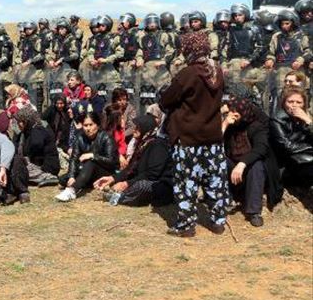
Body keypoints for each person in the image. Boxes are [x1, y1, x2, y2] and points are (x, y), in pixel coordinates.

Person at [159, 30, 230, 237]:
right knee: (215, 179)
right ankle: (218, 222)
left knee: (186, 183)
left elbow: (166, 100)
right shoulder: (217, 70)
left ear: (188, 49)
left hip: (187, 138)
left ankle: (186, 226)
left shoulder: (187, 74)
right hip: (213, 137)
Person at [222, 95, 281, 227]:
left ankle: (254, 211)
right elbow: (213, 143)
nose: (233, 114)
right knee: (219, 161)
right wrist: (225, 124)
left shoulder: (256, 126)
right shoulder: (229, 125)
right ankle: (225, 200)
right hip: (232, 164)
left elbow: (261, 148)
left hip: (249, 165)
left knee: (257, 166)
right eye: (231, 110)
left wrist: (242, 164)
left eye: (236, 111)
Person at [93, 114, 173, 207]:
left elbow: (153, 174)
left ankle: (120, 197)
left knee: (142, 186)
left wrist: (126, 183)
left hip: (159, 184)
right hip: (143, 179)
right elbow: (131, 168)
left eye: (138, 128)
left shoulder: (157, 145)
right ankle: (121, 194)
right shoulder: (142, 144)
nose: (134, 130)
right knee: (135, 183)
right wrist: (113, 178)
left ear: (146, 129)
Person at [56, 111, 119, 202]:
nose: (88, 128)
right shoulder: (80, 138)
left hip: (104, 170)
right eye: (85, 125)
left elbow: (112, 161)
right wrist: (71, 176)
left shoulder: (106, 137)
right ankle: (82, 182)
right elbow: (74, 158)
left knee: (90, 162)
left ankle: (72, 191)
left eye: (91, 125)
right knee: (63, 179)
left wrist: (93, 155)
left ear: (97, 125)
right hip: (84, 169)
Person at [269, 87, 313, 188]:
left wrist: (309, 122)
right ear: (284, 103)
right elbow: (286, 147)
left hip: (304, 160)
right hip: (285, 166)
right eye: (290, 101)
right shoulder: (277, 120)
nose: (294, 105)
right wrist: (310, 148)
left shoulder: (304, 118)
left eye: (299, 102)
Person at [14, 107, 60, 187]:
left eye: (20, 122)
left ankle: (47, 177)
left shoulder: (38, 130)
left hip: (46, 167)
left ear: (26, 121)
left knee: (20, 171)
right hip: (37, 165)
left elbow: (35, 146)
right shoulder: (26, 132)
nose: (18, 124)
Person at [103, 103, 128, 169]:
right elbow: (110, 150)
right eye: (121, 118)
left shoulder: (120, 129)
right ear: (116, 120)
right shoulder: (109, 134)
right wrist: (119, 155)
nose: (123, 120)